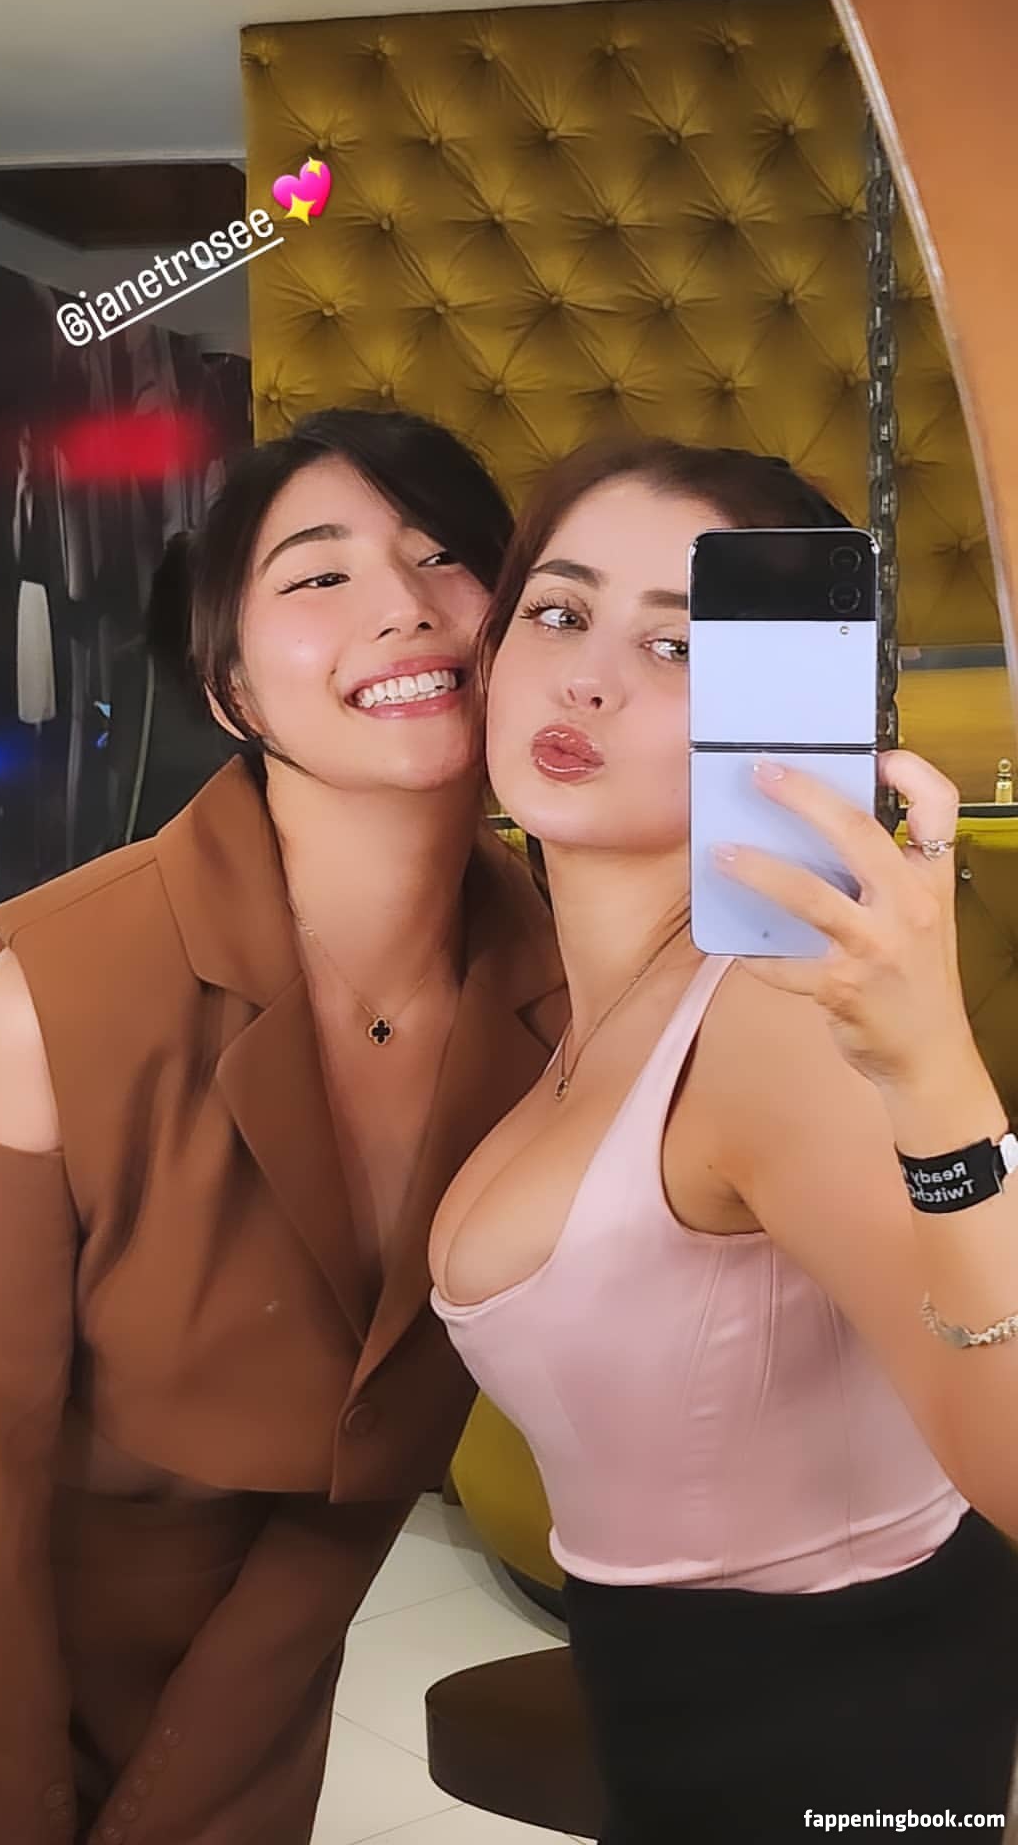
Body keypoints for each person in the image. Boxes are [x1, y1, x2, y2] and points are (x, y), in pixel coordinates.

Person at [0, 407, 564, 1845]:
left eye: (446, 558)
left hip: (280, 1640)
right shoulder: (68, 986)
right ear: (229, 689)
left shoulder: (565, 990)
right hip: (0, 1645)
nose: (404, 605)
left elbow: (381, 1447)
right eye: (320, 574)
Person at [429, 436, 1018, 1841]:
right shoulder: (569, 1001)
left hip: (841, 1739)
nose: (588, 679)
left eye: (680, 646)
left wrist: (938, 1081)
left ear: (788, 708)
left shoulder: (769, 1021)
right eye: (558, 612)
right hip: (673, 1719)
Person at [106, 530, 232, 846]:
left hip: (155, 814)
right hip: (225, 800)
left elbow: (123, 757)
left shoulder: (135, 661)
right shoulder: (236, 658)